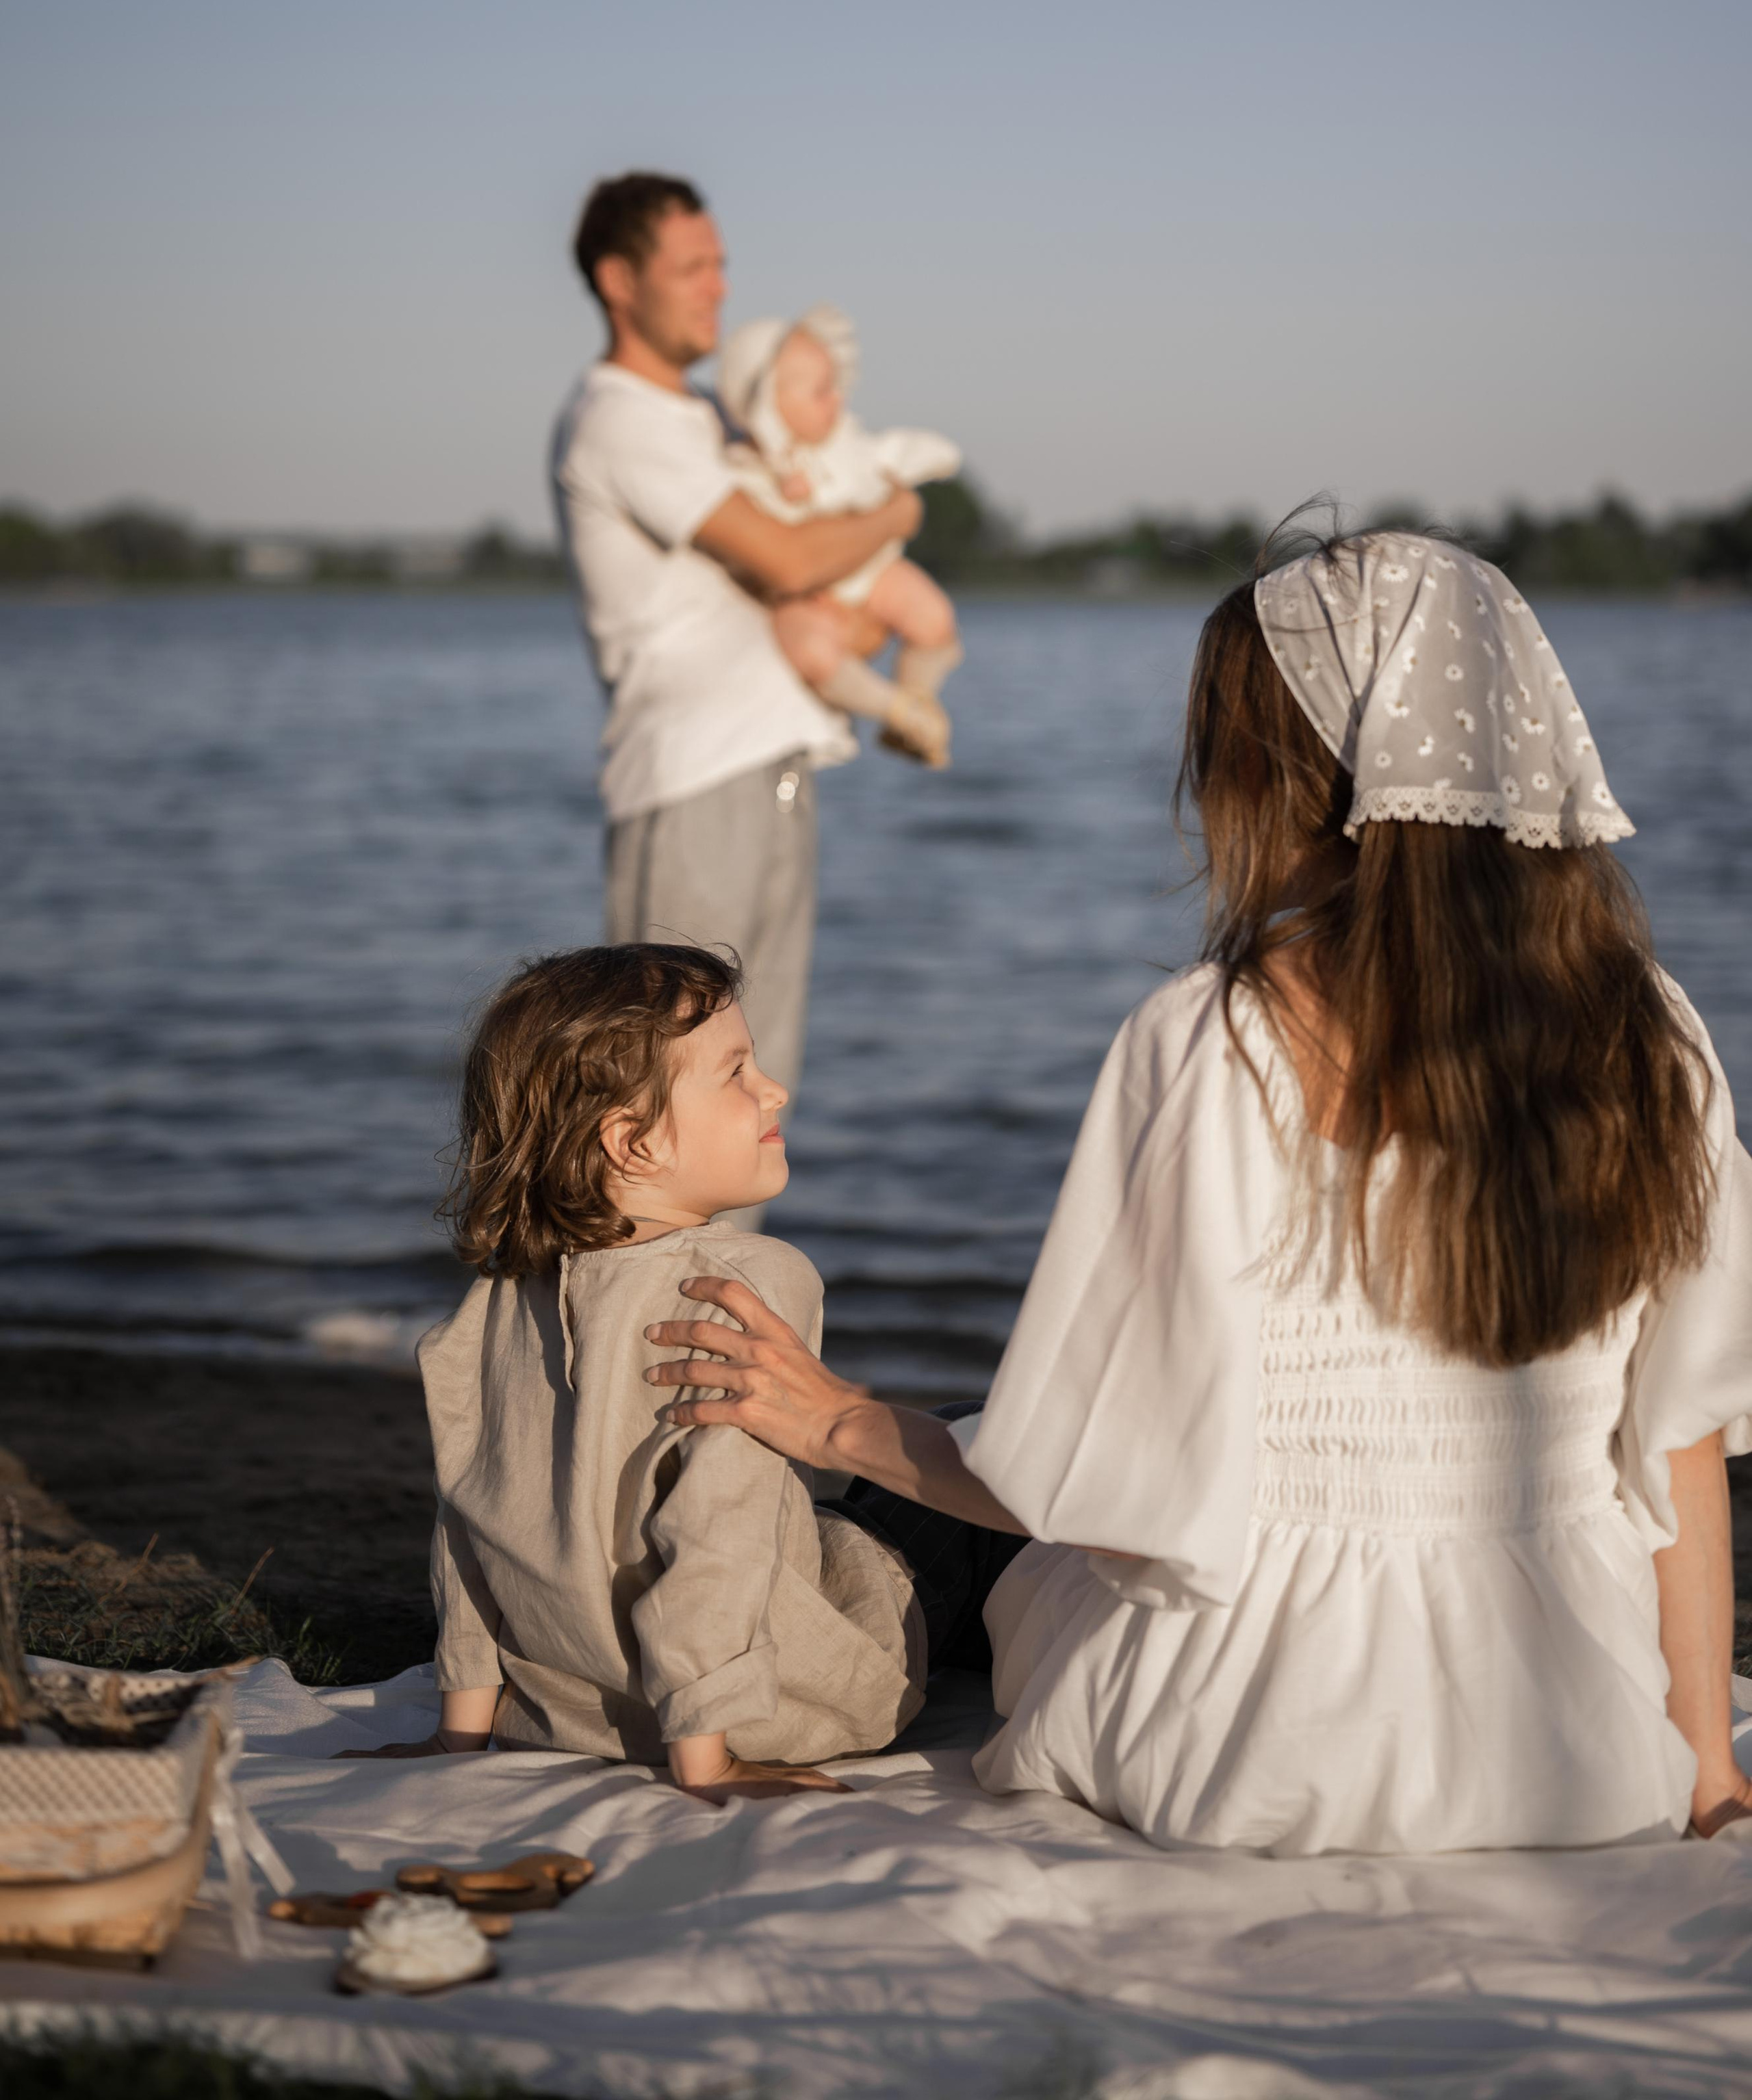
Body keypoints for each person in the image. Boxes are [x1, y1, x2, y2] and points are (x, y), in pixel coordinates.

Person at [644, 531, 1752, 1857]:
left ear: (1278, 778)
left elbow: (1080, 1480)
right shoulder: (1657, 1038)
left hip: (1241, 1740)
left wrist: (827, 1419)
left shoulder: (1211, 1042)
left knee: (930, 1484)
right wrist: (1696, 1765)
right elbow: (1675, 1437)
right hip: (1572, 1745)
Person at [369, 943, 926, 1793]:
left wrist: (460, 1736)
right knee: (962, 1477)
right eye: (736, 1072)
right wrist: (710, 1761)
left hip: (570, 1712)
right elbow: (717, 1532)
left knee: (867, 1497)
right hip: (763, 1706)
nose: (772, 1089)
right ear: (630, 1143)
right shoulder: (747, 1285)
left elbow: (469, 1523)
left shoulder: (499, 1296)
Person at [550, 174, 923, 1113]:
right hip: (691, 791)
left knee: (756, 1094)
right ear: (619, 280)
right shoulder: (619, 419)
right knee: (668, 1102)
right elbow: (794, 558)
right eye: (692, 267)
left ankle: (732, 1269)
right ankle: (637, 1269)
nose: (720, 286)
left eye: (721, 264)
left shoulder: (715, 420)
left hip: (772, 773)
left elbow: (824, 593)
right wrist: (901, 509)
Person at [716, 306, 964, 768]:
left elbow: (895, 458)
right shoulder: (743, 471)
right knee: (807, 650)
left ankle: (915, 705)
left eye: (835, 387)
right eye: (820, 392)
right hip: (762, 747)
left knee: (933, 617)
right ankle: (899, 711)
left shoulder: (849, 447)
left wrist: (927, 467)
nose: (837, 401)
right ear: (770, 403)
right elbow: (772, 554)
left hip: (800, 750)